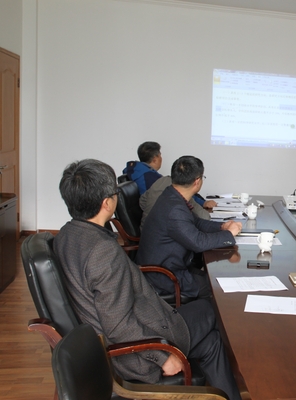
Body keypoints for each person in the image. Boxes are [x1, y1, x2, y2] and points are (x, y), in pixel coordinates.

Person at [53, 159, 241, 400]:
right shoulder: (102, 251)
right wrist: (162, 357)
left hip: (137, 325)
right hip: (136, 351)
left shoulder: (67, 234)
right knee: (212, 309)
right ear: (107, 203)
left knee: (211, 341)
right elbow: (117, 325)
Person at [136, 156, 242, 299]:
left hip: (171, 266)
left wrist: (222, 226)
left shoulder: (171, 195)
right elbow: (198, 242)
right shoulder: (175, 209)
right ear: (197, 181)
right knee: (218, 288)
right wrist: (229, 234)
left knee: (214, 277)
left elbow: (196, 222)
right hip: (165, 277)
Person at [123, 142, 216, 209]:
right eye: (160, 155)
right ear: (155, 158)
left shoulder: (137, 172)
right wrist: (203, 203)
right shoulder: (151, 178)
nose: (161, 158)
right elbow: (179, 192)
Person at [139, 175, 210, 231]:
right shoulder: (182, 191)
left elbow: (142, 202)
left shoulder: (161, 180)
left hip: (145, 231)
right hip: (161, 238)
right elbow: (204, 217)